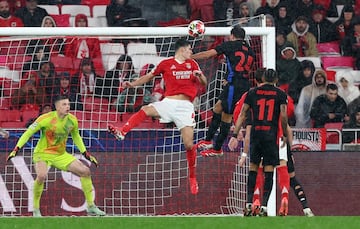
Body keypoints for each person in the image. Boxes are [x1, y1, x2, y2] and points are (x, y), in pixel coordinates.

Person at [107, 38, 207, 195]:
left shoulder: (193, 64)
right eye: (189, 49)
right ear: (182, 49)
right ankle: (123, 131)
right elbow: (149, 76)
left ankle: (192, 177)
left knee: (188, 145)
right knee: (146, 109)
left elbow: (204, 83)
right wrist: (133, 85)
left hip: (185, 106)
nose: (191, 52)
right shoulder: (166, 64)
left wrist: (200, 75)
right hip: (168, 102)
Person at [6, 95, 105, 217]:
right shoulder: (45, 119)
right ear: (57, 107)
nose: (67, 107)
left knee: (85, 171)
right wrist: (16, 149)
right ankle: (36, 209)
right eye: (64, 104)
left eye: (68, 104)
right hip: (43, 153)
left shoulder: (72, 120)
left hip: (60, 154)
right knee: (41, 176)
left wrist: (85, 153)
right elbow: (28, 133)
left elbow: (76, 137)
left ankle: (91, 206)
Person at [228, 69, 288, 217]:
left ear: (262, 78)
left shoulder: (252, 93)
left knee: (253, 167)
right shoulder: (280, 94)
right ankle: (264, 206)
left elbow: (242, 114)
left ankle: (249, 203)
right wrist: (285, 134)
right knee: (269, 170)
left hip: (256, 134)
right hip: (270, 135)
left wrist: (235, 134)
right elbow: (284, 116)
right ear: (276, 79)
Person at [191, 25, 255, 157]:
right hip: (241, 84)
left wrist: (191, 57)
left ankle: (217, 148)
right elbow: (239, 66)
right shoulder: (250, 50)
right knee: (217, 108)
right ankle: (208, 140)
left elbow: (208, 54)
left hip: (234, 86)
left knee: (227, 116)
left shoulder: (229, 45)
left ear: (232, 36)